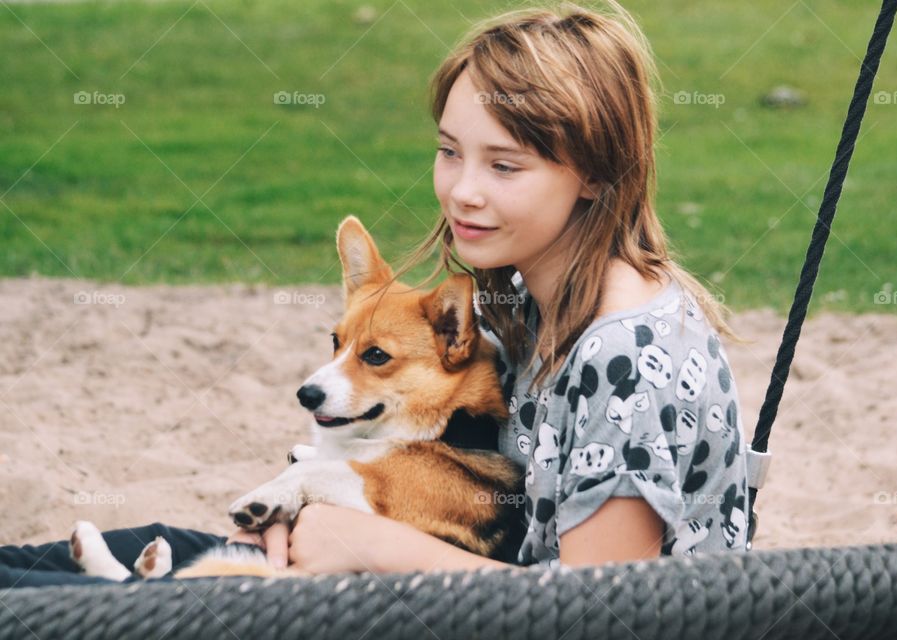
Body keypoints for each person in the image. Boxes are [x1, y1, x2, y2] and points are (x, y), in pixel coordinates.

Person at [0, 1, 749, 587]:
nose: (463, 192)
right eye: (450, 152)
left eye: (505, 166)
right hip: (448, 582)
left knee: (76, 610)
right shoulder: (532, 297)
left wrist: (365, 539)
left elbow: (606, 610)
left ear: (593, 172)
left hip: (483, 606)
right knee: (55, 567)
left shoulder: (628, 351)